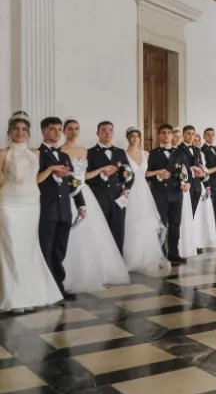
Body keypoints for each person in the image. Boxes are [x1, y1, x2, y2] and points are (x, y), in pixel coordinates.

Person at [0, 113, 65, 313]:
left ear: (29, 133)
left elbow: (35, 179)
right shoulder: (3, 153)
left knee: (28, 248)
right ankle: (13, 297)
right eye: (16, 129)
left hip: (31, 203)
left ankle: (30, 294)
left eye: (24, 129)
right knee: (11, 249)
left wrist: (52, 169)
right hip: (9, 203)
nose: (20, 132)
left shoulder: (35, 153)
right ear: (9, 132)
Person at [61, 119, 130, 291]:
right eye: (70, 129)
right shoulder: (63, 151)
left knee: (99, 234)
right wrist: (101, 172)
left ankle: (101, 270)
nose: (73, 132)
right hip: (72, 193)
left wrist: (123, 187)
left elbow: (85, 176)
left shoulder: (84, 151)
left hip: (88, 192)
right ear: (64, 131)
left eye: (76, 128)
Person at [36, 116, 86, 299]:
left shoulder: (64, 156)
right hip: (47, 210)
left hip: (64, 210)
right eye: (52, 129)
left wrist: (81, 204)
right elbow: (33, 182)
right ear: (43, 131)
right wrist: (54, 176)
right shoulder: (37, 154)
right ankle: (47, 290)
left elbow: (72, 182)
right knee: (46, 250)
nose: (57, 132)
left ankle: (58, 287)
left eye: (59, 129)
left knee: (59, 250)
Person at [123, 127, 171, 274]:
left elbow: (146, 173)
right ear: (128, 137)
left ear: (140, 138)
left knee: (146, 221)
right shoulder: (122, 154)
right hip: (130, 190)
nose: (135, 138)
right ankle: (131, 258)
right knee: (131, 222)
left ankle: (148, 256)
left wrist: (159, 172)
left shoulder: (146, 154)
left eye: (137, 136)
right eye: (132, 136)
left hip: (144, 191)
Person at [85, 120, 132, 255]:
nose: (107, 133)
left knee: (119, 231)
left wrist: (126, 190)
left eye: (110, 130)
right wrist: (102, 175)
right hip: (99, 198)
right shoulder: (90, 153)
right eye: (104, 130)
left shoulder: (120, 152)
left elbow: (129, 174)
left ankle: (119, 262)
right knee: (100, 231)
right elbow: (85, 178)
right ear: (97, 133)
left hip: (119, 197)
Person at [146, 123, 191, 264]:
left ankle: (173, 253)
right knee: (160, 224)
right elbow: (147, 175)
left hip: (176, 193)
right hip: (159, 193)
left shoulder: (180, 153)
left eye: (169, 133)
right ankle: (159, 254)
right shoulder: (153, 154)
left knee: (175, 224)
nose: (166, 135)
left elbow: (187, 173)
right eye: (163, 133)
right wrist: (159, 175)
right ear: (158, 135)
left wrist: (187, 184)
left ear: (172, 136)